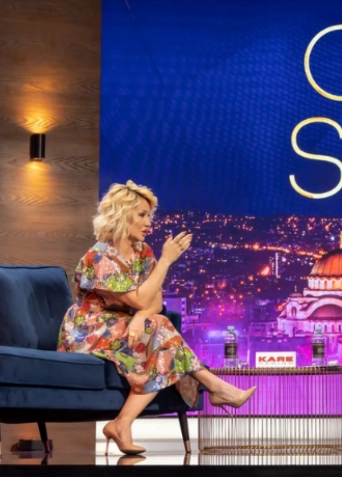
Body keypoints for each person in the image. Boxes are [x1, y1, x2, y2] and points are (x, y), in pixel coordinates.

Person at [58, 181, 256, 455]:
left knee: (161, 339)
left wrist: (141, 317)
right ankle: (214, 386)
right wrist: (165, 262)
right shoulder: (100, 256)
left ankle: (122, 424)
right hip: (90, 329)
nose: (148, 222)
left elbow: (155, 303)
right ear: (122, 214)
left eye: (149, 215)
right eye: (142, 215)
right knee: (162, 330)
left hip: (126, 326)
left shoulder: (143, 252)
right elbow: (141, 300)